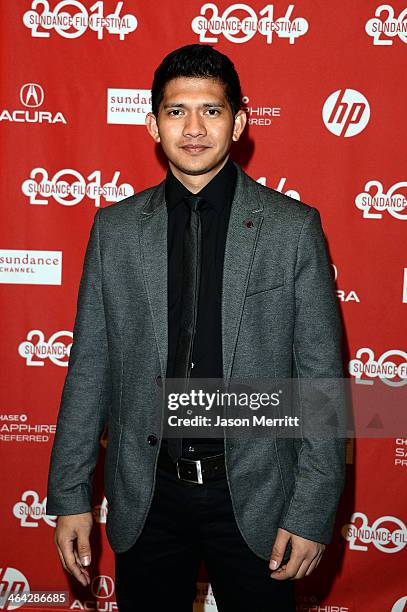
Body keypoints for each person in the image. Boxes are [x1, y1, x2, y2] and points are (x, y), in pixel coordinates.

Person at [46, 44, 346, 611]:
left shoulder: (292, 229)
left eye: (211, 110)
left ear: (240, 120)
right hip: (148, 494)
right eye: (176, 111)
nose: (193, 128)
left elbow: (321, 382)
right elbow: (90, 367)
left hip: (257, 495)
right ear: (153, 123)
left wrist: (311, 509)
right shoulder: (115, 230)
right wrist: (69, 494)